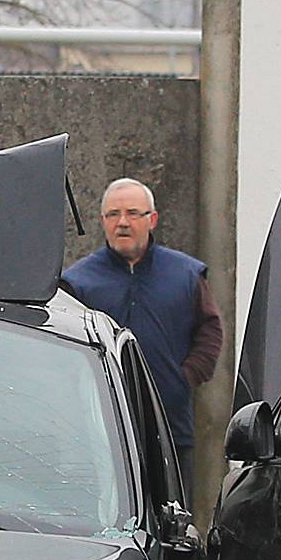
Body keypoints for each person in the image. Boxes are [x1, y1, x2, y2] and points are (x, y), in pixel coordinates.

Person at [61, 178, 223, 466]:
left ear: (153, 219)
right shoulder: (78, 283)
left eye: (133, 213)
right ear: (103, 221)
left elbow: (210, 329)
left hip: (170, 429)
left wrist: (184, 378)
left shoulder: (185, 275)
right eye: (113, 214)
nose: (122, 223)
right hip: (100, 432)